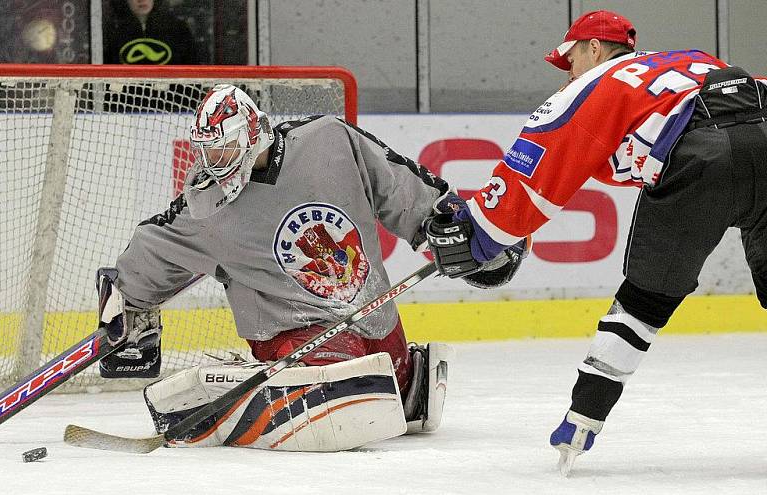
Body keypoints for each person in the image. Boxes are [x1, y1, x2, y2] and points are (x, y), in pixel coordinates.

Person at [425, 9, 767, 475]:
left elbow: (542, 157)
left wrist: (483, 232)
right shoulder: (689, 59)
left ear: (594, 48)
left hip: (702, 158)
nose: (567, 73)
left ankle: (583, 417)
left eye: (569, 60)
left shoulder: (598, 80)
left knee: (645, 301)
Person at [95, 83, 518, 451]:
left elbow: (399, 186)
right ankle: (252, 392)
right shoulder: (206, 206)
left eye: (223, 146)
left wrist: (457, 231)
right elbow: (155, 244)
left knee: (397, 389)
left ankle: (299, 386)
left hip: (373, 314)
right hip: (291, 329)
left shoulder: (330, 140)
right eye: (208, 151)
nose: (214, 161)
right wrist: (124, 299)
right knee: (345, 382)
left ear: (253, 130)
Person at [103, 0, 198, 65]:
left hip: (171, 94)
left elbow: (193, 67)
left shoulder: (177, 27)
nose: (141, 0)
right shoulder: (111, 30)